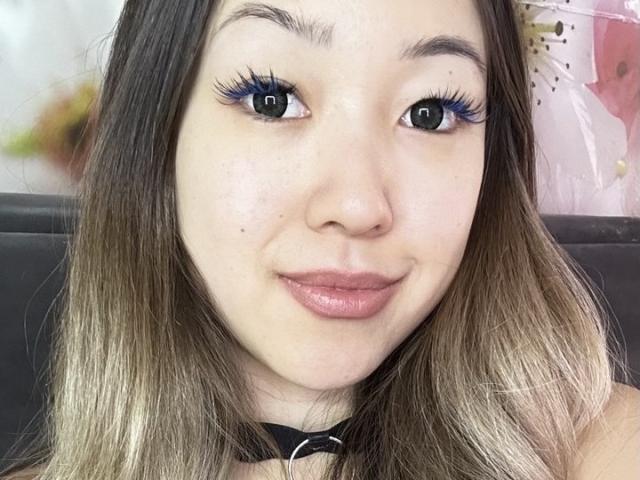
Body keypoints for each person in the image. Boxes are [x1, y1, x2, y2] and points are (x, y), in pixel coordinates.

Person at [2, 0, 639, 479]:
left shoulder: (606, 452)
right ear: (157, 139)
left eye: (430, 113)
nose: (358, 207)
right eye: (272, 99)